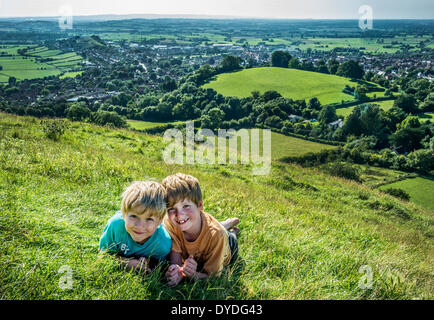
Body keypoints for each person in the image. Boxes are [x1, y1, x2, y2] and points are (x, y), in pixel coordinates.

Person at [162, 173, 239, 286]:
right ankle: (226, 223)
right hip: (201, 224)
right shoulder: (170, 222)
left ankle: (232, 229)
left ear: (199, 205)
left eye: (186, 206)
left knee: (227, 235)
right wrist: (177, 273)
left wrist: (193, 275)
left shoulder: (217, 235)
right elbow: (177, 263)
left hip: (227, 245)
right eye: (172, 209)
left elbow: (213, 276)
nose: (179, 214)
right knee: (203, 224)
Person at [99, 180, 172, 274]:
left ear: (160, 221)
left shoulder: (163, 243)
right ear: (124, 214)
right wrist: (125, 263)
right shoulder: (115, 226)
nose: (140, 226)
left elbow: (160, 266)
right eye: (134, 216)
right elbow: (103, 255)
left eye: (149, 219)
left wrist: (149, 264)